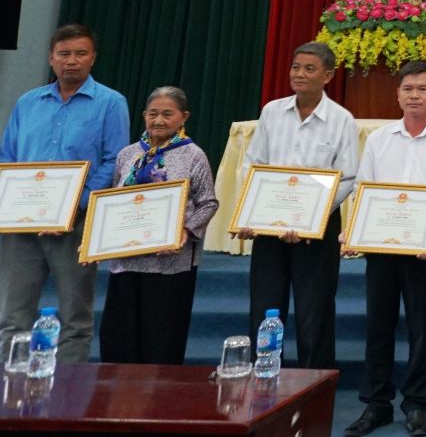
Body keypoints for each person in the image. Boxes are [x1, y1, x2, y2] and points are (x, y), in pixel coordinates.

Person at [343, 61, 426, 437]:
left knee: (421, 328)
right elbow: (364, 188)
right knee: (378, 325)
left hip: (424, 251)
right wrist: (355, 232)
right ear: (397, 94)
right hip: (381, 248)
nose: (414, 95)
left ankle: (416, 404)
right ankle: (376, 404)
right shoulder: (379, 139)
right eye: (408, 88)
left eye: (422, 89)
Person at [0, 24, 129, 363]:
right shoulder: (28, 103)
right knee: (14, 316)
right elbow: (7, 157)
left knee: (75, 318)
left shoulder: (111, 103)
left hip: (77, 224)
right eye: (64, 54)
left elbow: (115, 160)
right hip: (22, 226)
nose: (72, 61)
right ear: (51, 59)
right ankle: (9, 394)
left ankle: (68, 400)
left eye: (80, 54)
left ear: (93, 58)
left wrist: (75, 205)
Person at [238, 41, 358, 370]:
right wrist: (250, 213)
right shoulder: (272, 111)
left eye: (309, 69)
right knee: (264, 307)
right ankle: (262, 379)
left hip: (317, 229)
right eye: (295, 67)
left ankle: (314, 383)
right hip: (269, 226)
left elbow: (348, 177)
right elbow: (253, 166)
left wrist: (311, 219)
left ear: (328, 76)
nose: (299, 74)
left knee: (314, 312)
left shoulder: (342, 119)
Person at [99, 87, 219, 364]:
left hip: (170, 265)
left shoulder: (193, 155)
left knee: (161, 340)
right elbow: (115, 201)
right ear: (143, 116)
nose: (159, 121)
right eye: (153, 114)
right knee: (120, 338)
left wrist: (185, 232)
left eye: (167, 114)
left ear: (183, 117)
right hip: (126, 262)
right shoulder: (127, 154)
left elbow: (209, 203)